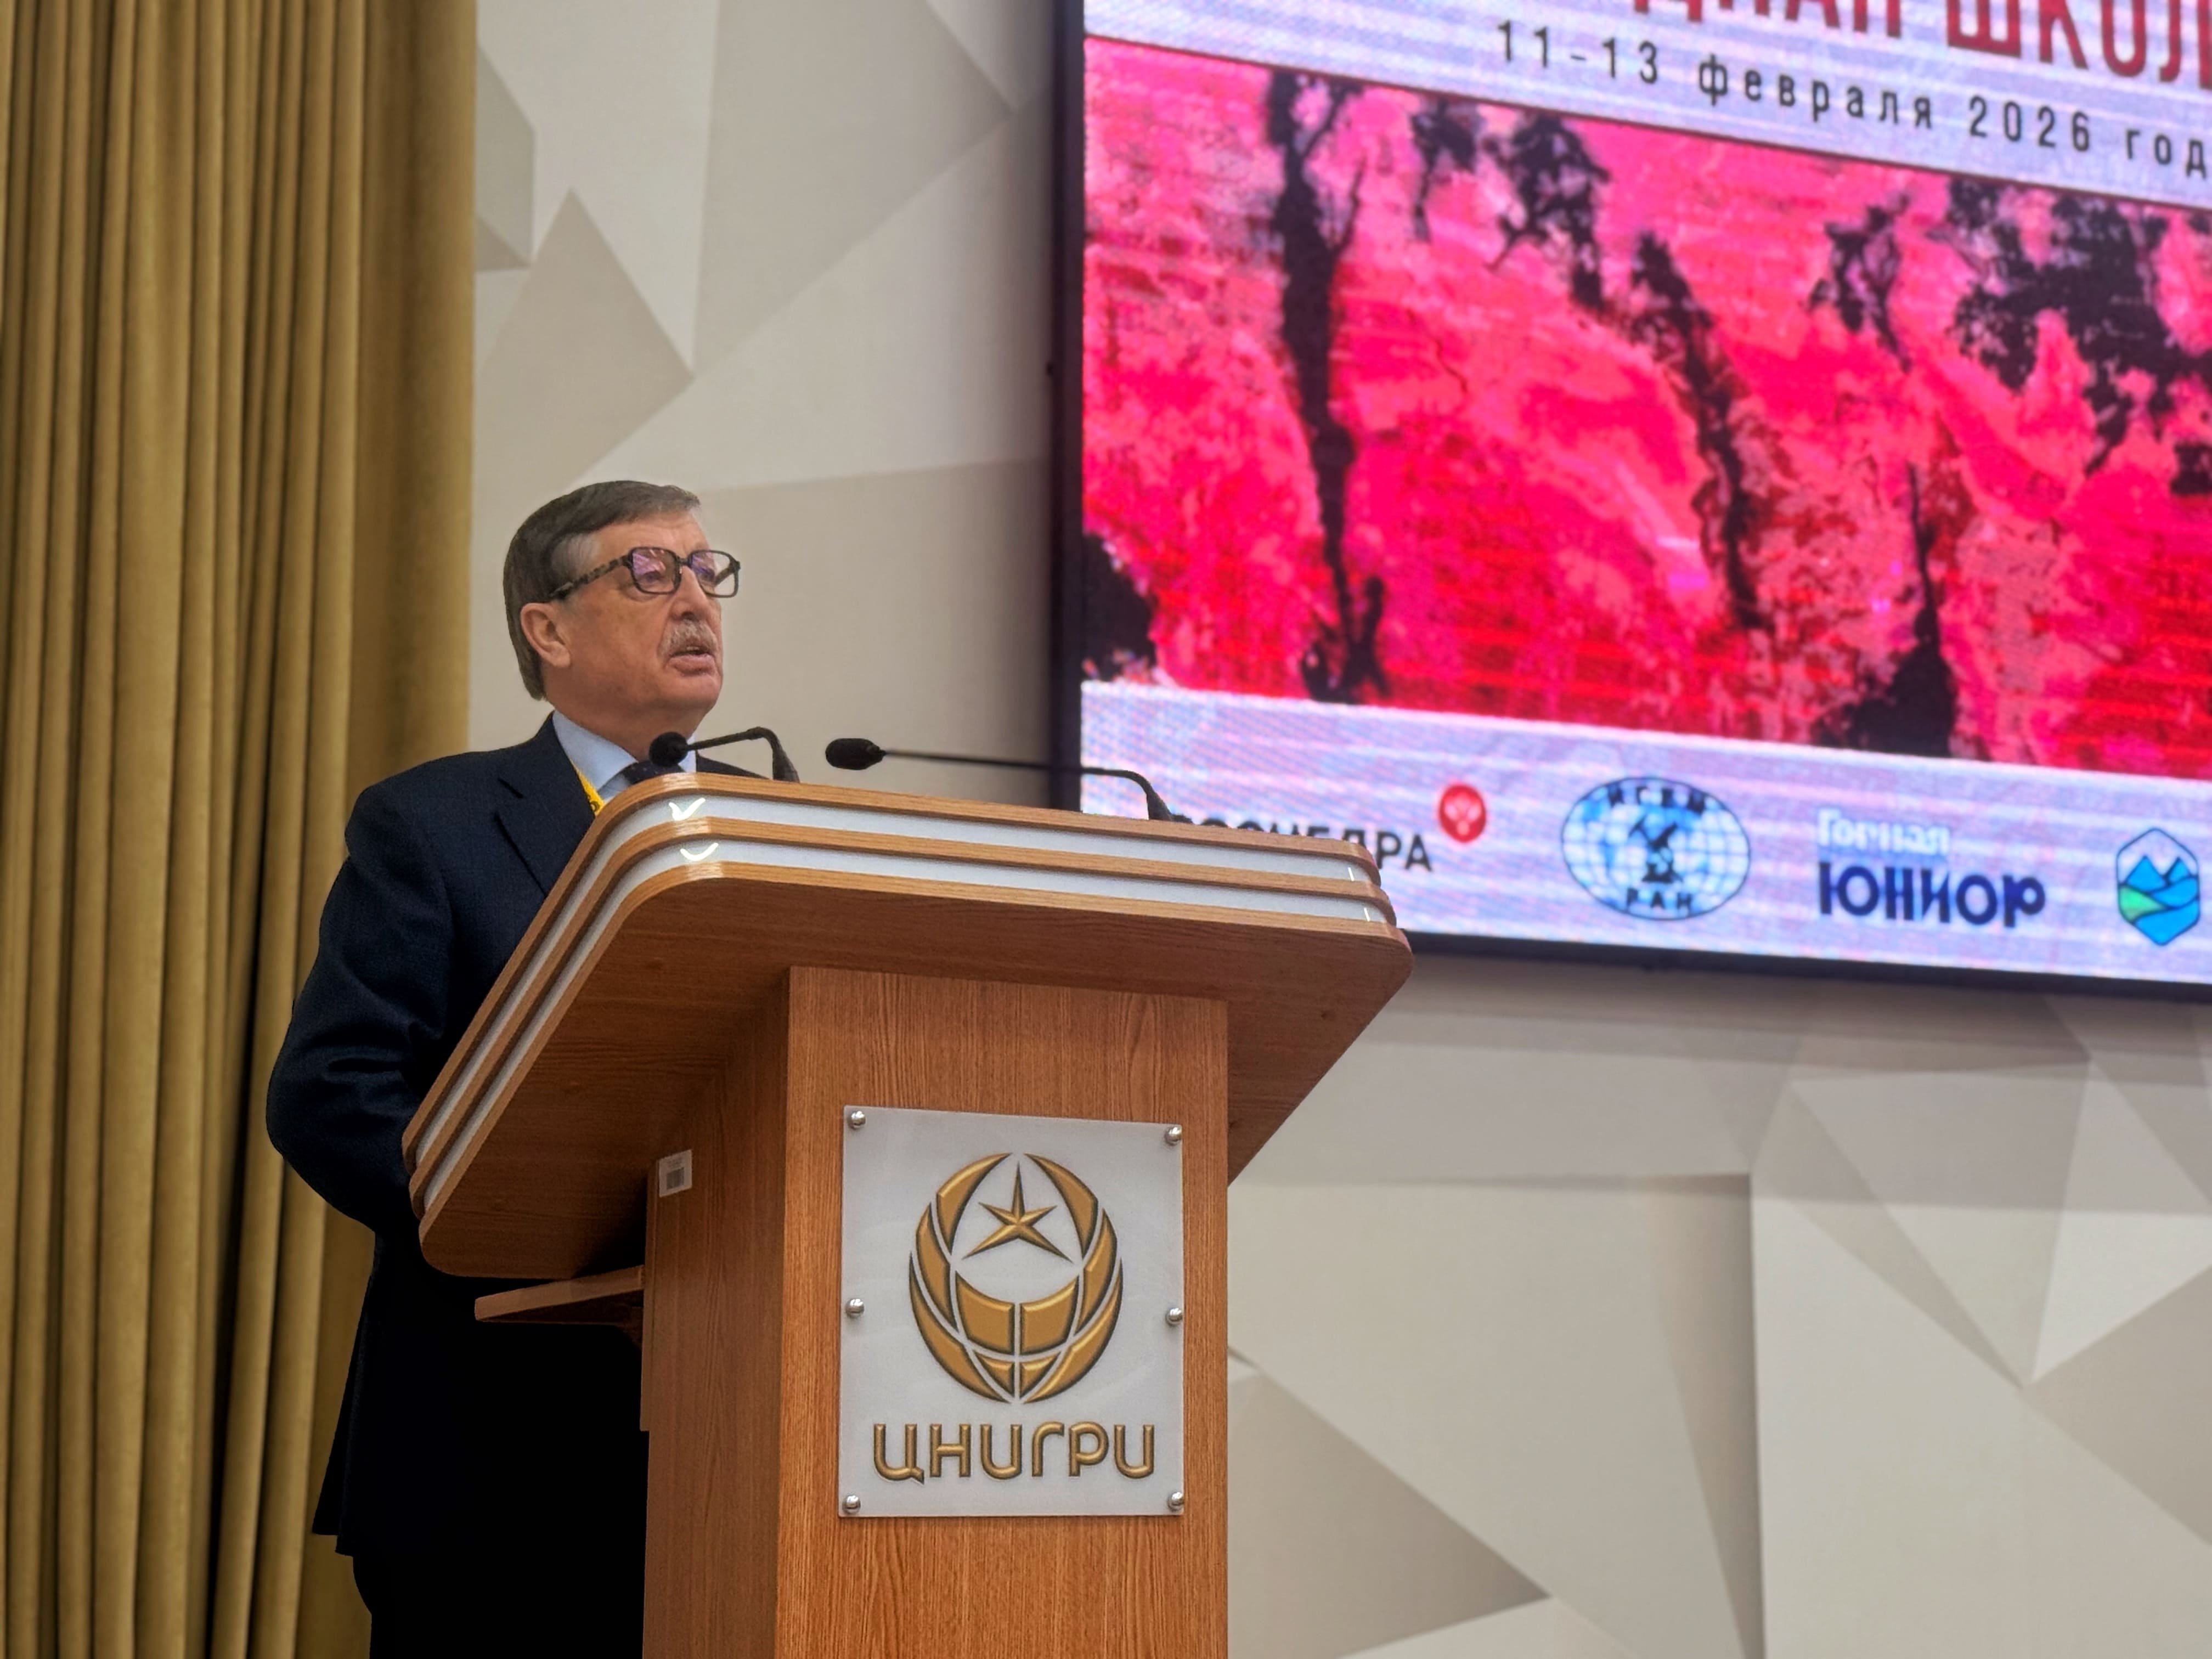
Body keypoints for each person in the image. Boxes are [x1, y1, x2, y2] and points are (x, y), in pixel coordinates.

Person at [267, 480, 751, 1655]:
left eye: (707, 571)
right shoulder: (432, 823)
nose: (696, 600)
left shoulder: (765, 826)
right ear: (548, 628)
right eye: (650, 573)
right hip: (490, 1444)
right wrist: (536, 1227)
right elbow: (333, 1091)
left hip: (726, 1449)